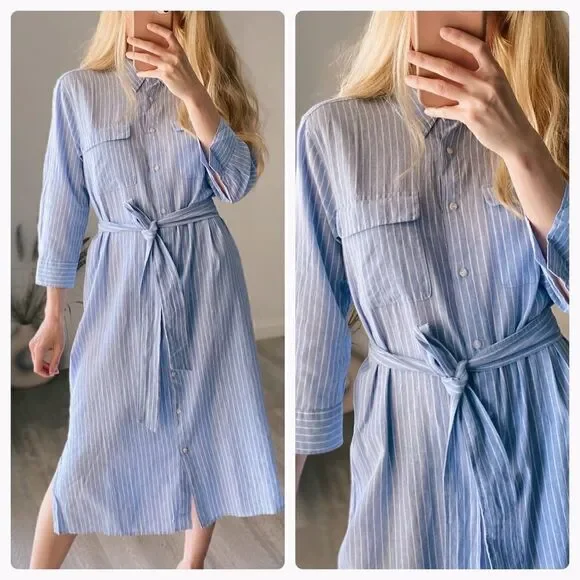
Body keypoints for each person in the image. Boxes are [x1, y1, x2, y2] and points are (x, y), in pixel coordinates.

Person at [296, 11, 568, 569]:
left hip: (543, 426)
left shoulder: (552, 118)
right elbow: (313, 325)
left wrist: (522, 148)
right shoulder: (333, 133)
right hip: (407, 439)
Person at [28, 11, 283, 569]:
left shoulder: (209, 78)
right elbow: (62, 204)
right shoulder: (79, 91)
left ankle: (191, 565)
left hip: (205, 276)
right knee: (89, 443)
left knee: (204, 421)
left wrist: (193, 93)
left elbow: (236, 183)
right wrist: (52, 315)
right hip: (121, 278)